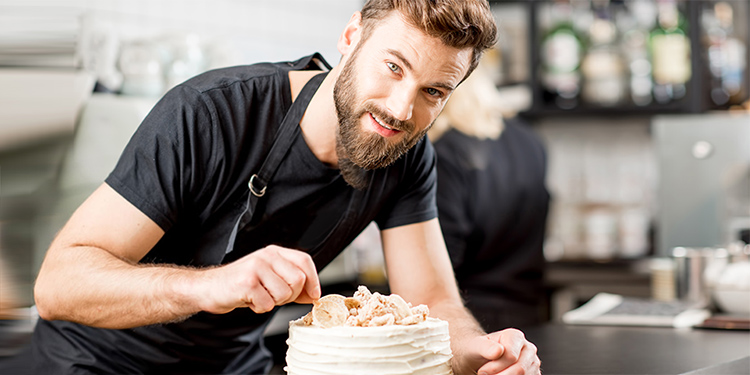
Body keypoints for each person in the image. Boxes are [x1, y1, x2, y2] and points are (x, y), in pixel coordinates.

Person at [31, 1, 541, 374]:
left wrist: (480, 352)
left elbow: (433, 301)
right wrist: (210, 285)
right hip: (95, 364)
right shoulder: (211, 113)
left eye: (433, 92)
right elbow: (58, 285)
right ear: (351, 38)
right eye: (393, 67)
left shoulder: (406, 156)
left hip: (232, 367)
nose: (401, 109)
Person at [429, 54, 551, 332]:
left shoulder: (445, 152)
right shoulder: (529, 140)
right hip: (528, 315)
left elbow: (439, 263)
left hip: (467, 323)